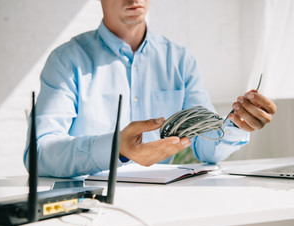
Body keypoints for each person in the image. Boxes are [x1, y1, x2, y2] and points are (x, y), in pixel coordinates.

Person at [24, 0, 276, 177]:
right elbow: (39, 153)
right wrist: (117, 149)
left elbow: (205, 145)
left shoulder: (179, 60)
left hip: (164, 203)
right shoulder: (67, 61)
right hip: (92, 206)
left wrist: (237, 124)